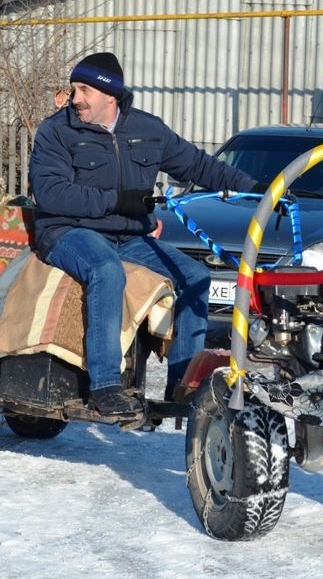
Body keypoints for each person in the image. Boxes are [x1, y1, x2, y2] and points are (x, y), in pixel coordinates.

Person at [29, 52, 260, 416]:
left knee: (195, 276)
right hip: (68, 230)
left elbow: (199, 165)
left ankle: (183, 384)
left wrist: (258, 188)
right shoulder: (57, 131)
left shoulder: (148, 130)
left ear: (111, 95)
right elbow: (51, 194)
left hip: (127, 235)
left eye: (83, 89)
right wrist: (116, 200)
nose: (75, 99)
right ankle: (105, 386)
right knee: (106, 270)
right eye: (74, 89)